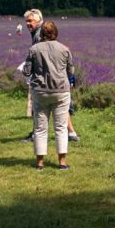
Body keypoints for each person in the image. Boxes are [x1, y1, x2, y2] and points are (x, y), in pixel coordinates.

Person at [22, 20, 75, 170]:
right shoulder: (65, 49)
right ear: (56, 33)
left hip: (40, 91)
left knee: (40, 128)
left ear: (42, 34)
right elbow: (71, 71)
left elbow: (26, 71)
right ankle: (62, 162)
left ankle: (39, 163)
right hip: (61, 91)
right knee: (61, 127)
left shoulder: (34, 49)